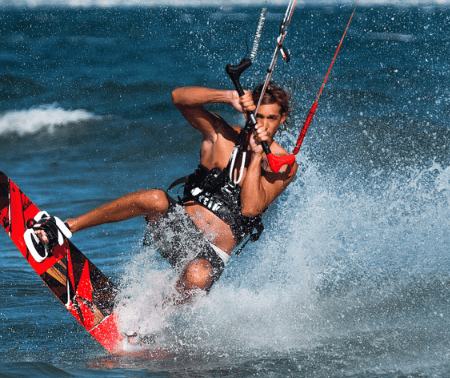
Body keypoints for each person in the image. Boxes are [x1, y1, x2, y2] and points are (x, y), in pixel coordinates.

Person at [25, 82, 296, 304]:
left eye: (271, 118)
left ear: (282, 119)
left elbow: (249, 208)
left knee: (198, 275)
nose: (263, 124)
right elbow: (179, 98)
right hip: (178, 232)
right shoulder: (221, 135)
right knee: (154, 197)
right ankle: (62, 228)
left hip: (209, 256)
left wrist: (257, 154)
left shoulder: (282, 165)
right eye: (258, 116)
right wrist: (228, 97)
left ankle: (151, 318)